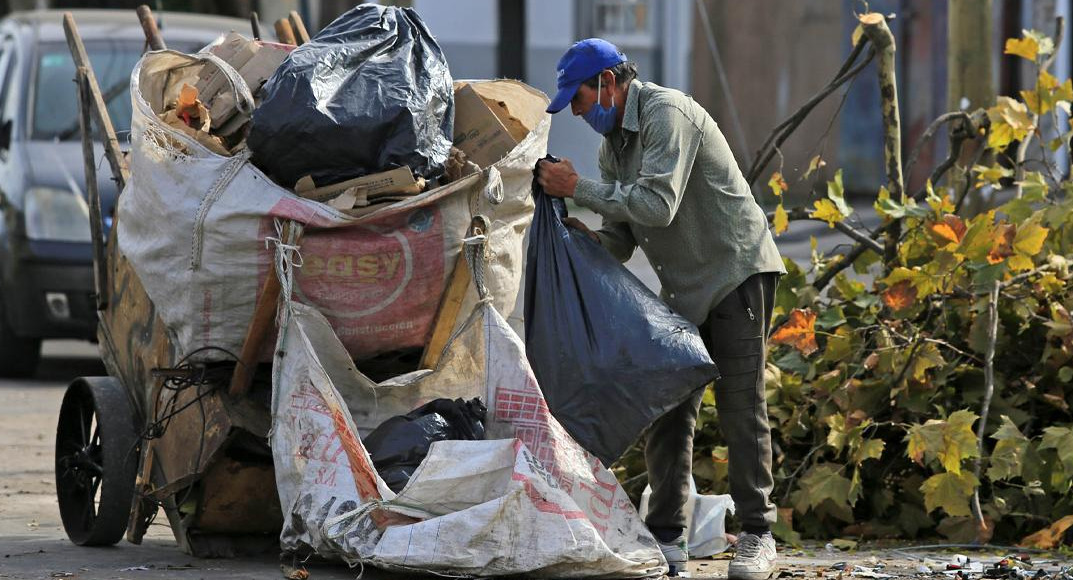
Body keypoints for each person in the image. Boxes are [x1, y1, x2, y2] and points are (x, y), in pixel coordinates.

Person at [535, 38, 785, 579]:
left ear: (607, 82)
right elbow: (622, 239)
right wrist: (580, 238)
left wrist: (578, 187)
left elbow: (659, 206)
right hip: (684, 288)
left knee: (742, 406)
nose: (577, 112)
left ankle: (758, 534)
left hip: (737, 271)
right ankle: (668, 536)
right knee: (668, 404)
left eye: (577, 99)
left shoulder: (666, 113)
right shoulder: (613, 150)